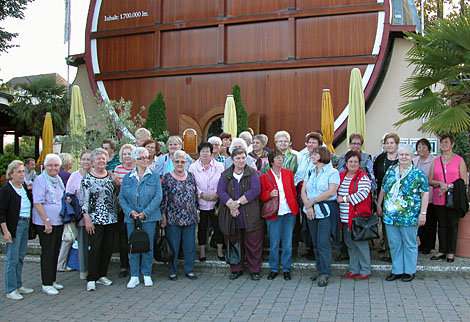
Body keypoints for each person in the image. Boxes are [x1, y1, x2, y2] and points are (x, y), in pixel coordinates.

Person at [377, 145, 429, 282]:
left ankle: (409, 271)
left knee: (409, 243)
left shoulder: (417, 173)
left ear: (412, 157)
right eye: (401, 155)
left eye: (407, 155)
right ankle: (397, 270)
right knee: (394, 244)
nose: (404, 157)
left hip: (409, 216)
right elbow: (383, 188)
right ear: (398, 156)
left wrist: (423, 213)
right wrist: (378, 204)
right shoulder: (390, 171)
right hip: (391, 216)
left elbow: (425, 194)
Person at [119, 147, 162, 288]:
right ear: (135, 160)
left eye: (147, 158)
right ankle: (134, 275)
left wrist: (146, 212)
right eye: (141, 158)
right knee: (133, 246)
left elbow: (158, 197)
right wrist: (130, 211)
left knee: (147, 245)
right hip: (132, 218)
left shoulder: (154, 176)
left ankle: (147, 274)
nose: (145, 160)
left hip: (148, 218)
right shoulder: (127, 177)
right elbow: (122, 198)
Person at [217, 148, 263, 281]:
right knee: (234, 242)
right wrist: (232, 205)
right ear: (232, 160)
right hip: (231, 215)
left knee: (253, 244)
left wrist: (237, 203)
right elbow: (221, 191)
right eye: (238, 158)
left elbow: (255, 190)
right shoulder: (225, 174)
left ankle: (254, 270)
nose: (241, 161)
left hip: (250, 214)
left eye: (243, 158)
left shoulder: (252, 173)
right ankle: (236, 269)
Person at [80, 148, 118, 291]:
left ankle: (102, 274)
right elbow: (83, 201)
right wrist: (87, 219)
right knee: (95, 248)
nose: (101, 161)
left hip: (111, 217)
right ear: (92, 162)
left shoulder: (111, 176)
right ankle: (92, 277)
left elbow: (116, 193)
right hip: (95, 219)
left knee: (107, 248)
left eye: (103, 158)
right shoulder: (87, 179)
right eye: (98, 159)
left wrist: (117, 183)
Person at [301, 147, 340, 287]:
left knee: (323, 242)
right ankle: (319, 270)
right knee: (315, 242)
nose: (312, 156)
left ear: (322, 155)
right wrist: (308, 205)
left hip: (326, 210)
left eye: (315, 154)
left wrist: (313, 201)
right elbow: (303, 190)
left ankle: (325, 273)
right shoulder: (310, 170)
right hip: (311, 210)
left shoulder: (332, 172)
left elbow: (331, 192)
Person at [260, 149, 298, 281]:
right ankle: (274, 269)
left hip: (288, 213)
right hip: (274, 214)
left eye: (281, 158)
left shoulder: (288, 173)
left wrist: (294, 205)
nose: (280, 160)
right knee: (274, 243)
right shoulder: (264, 177)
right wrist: (268, 194)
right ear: (271, 161)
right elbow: (261, 196)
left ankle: (286, 269)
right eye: (277, 158)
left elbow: (293, 190)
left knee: (287, 243)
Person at [429, 134, 468, 263]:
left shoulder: (459, 160)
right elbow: (430, 180)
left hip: (453, 199)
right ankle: (442, 250)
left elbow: (463, 180)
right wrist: (440, 184)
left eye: (446, 142)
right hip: (439, 198)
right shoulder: (436, 161)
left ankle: (451, 252)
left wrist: (449, 186)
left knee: (452, 225)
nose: (444, 144)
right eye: (442, 142)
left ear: (452, 144)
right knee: (442, 225)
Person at [161, 150, 198, 280]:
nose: (180, 164)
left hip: (190, 217)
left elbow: (195, 196)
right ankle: (172, 271)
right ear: (173, 162)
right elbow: (164, 199)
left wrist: (196, 211)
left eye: (183, 161)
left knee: (190, 246)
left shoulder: (191, 176)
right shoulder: (167, 177)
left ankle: (189, 270)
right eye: (177, 161)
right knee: (173, 247)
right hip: (173, 218)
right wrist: (163, 216)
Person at [0, 160, 34, 300]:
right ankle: (10, 288)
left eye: (23, 172)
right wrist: (6, 231)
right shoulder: (6, 189)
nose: (22, 174)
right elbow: (1, 211)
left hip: (25, 224)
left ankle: (19, 284)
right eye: (19, 172)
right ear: (11, 174)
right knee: (12, 258)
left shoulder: (24, 186)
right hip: (15, 226)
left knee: (20, 257)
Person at [32, 154, 65, 295]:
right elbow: (37, 202)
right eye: (50, 165)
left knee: (55, 250)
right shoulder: (40, 180)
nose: (53, 168)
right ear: (45, 166)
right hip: (45, 222)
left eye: (56, 165)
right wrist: (46, 221)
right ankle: (46, 283)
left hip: (58, 221)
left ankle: (52, 279)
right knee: (48, 251)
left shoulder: (58, 179)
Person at [337, 151, 372, 280]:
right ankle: (354, 269)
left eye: (355, 162)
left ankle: (365, 270)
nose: (353, 164)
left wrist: (344, 199)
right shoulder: (341, 176)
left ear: (359, 163)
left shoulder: (363, 177)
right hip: (344, 217)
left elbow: (362, 194)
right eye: (350, 161)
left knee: (361, 245)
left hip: (357, 218)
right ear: (346, 163)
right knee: (350, 244)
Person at [189, 142, 225, 261]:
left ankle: (220, 251)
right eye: (202, 151)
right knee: (202, 228)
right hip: (201, 203)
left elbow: (223, 182)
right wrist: (202, 194)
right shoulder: (193, 167)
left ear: (211, 153)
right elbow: (191, 183)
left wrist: (217, 194)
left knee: (218, 227)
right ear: (199, 153)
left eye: (207, 151)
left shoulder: (219, 166)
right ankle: (202, 251)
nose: (205, 153)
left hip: (216, 202)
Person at [294, 132, 323, 260]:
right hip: (301, 192)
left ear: (319, 145)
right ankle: (308, 246)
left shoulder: (322, 158)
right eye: (309, 142)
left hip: (313, 195)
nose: (310, 145)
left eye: (313, 142)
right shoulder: (303, 156)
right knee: (305, 222)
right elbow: (298, 174)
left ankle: (314, 249)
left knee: (313, 220)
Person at [64, 150, 91, 280]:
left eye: (88, 159)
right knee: (82, 243)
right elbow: (68, 195)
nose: (86, 162)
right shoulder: (74, 176)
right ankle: (83, 269)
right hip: (80, 216)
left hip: (96, 216)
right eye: (84, 159)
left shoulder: (96, 174)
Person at [373, 133, 400, 262]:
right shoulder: (380, 158)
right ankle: (388, 252)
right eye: (386, 143)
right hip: (383, 197)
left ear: (397, 144)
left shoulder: (403, 158)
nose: (389, 145)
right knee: (385, 226)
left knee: (398, 227)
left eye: (391, 143)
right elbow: (375, 176)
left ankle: (398, 254)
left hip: (399, 200)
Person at [113, 143, 136, 278]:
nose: (127, 156)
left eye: (129, 153)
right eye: (125, 154)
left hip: (137, 208)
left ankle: (135, 264)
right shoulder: (118, 169)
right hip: (122, 208)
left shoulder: (138, 168)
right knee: (123, 238)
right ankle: (123, 265)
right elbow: (116, 189)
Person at [412, 138, 437, 254]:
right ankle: (422, 243)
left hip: (430, 195)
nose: (421, 149)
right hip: (417, 197)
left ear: (429, 148)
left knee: (430, 222)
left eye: (424, 147)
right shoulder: (414, 161)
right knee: (420, 223)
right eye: (419, 147)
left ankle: (429, 245)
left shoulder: (434, 161)